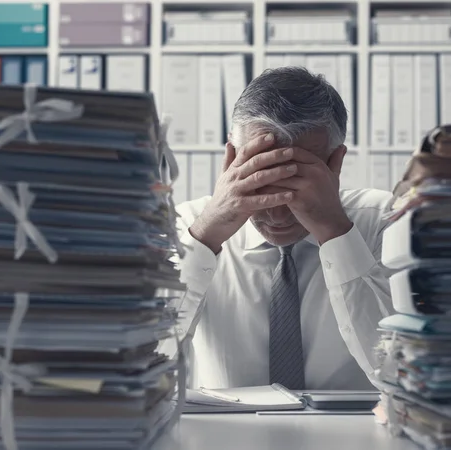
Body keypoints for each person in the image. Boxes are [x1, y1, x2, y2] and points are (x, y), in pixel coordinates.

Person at [165, 66, 394, 390]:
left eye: (296, 183)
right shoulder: (188, 226)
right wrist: (204, 240)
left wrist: (335, 232)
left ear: (336, 164)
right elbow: (146, 363)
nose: (275, 214)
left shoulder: (381, 222)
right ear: (230, 160)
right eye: (261, 181)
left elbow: (398, 374)